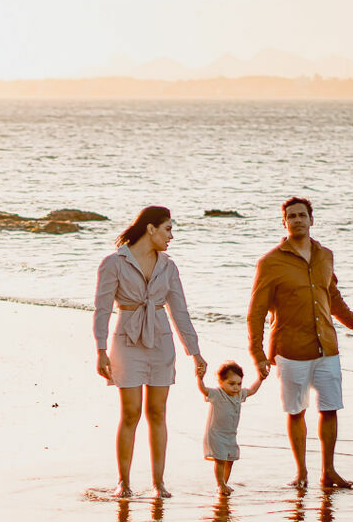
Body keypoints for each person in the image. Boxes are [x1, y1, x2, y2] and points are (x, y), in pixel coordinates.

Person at [246, 196, 353, 490]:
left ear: (311, 220)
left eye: (302, 215)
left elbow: (334, 300)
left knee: (330, 408)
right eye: (291, 216)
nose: (297, 220)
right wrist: (258, 354)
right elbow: (255, 313)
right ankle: (301, 473)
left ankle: (328, 471)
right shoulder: (270, 262)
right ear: (284, 223)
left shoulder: (325, 255)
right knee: (296, 411)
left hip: (327, 348)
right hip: (290, 350)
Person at [94, 206, 206, 497]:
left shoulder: (168, 266)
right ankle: (124, 483)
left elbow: (180, 311)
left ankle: (158, 483)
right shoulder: (114, 263)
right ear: (150, 229)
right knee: (130, 413)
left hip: (160, 340)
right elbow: (103, 309)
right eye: (168, 229)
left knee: (157, 412)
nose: (171, 236)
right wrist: (101, 350)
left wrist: (194, 352)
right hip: (126, 340)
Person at [199, 360, 265, 495]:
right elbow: (203, 390)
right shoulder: (217, 394)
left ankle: (225, 483)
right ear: (220, 382)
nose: (236, 387)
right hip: (216, 434)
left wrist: (260, 378)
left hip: (231, 435)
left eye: (239, 384)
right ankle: (220, 484)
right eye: (231, 384)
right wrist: (199, 378)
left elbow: (252, 390)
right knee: (221, 460)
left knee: (230, 460)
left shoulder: (239, 394)